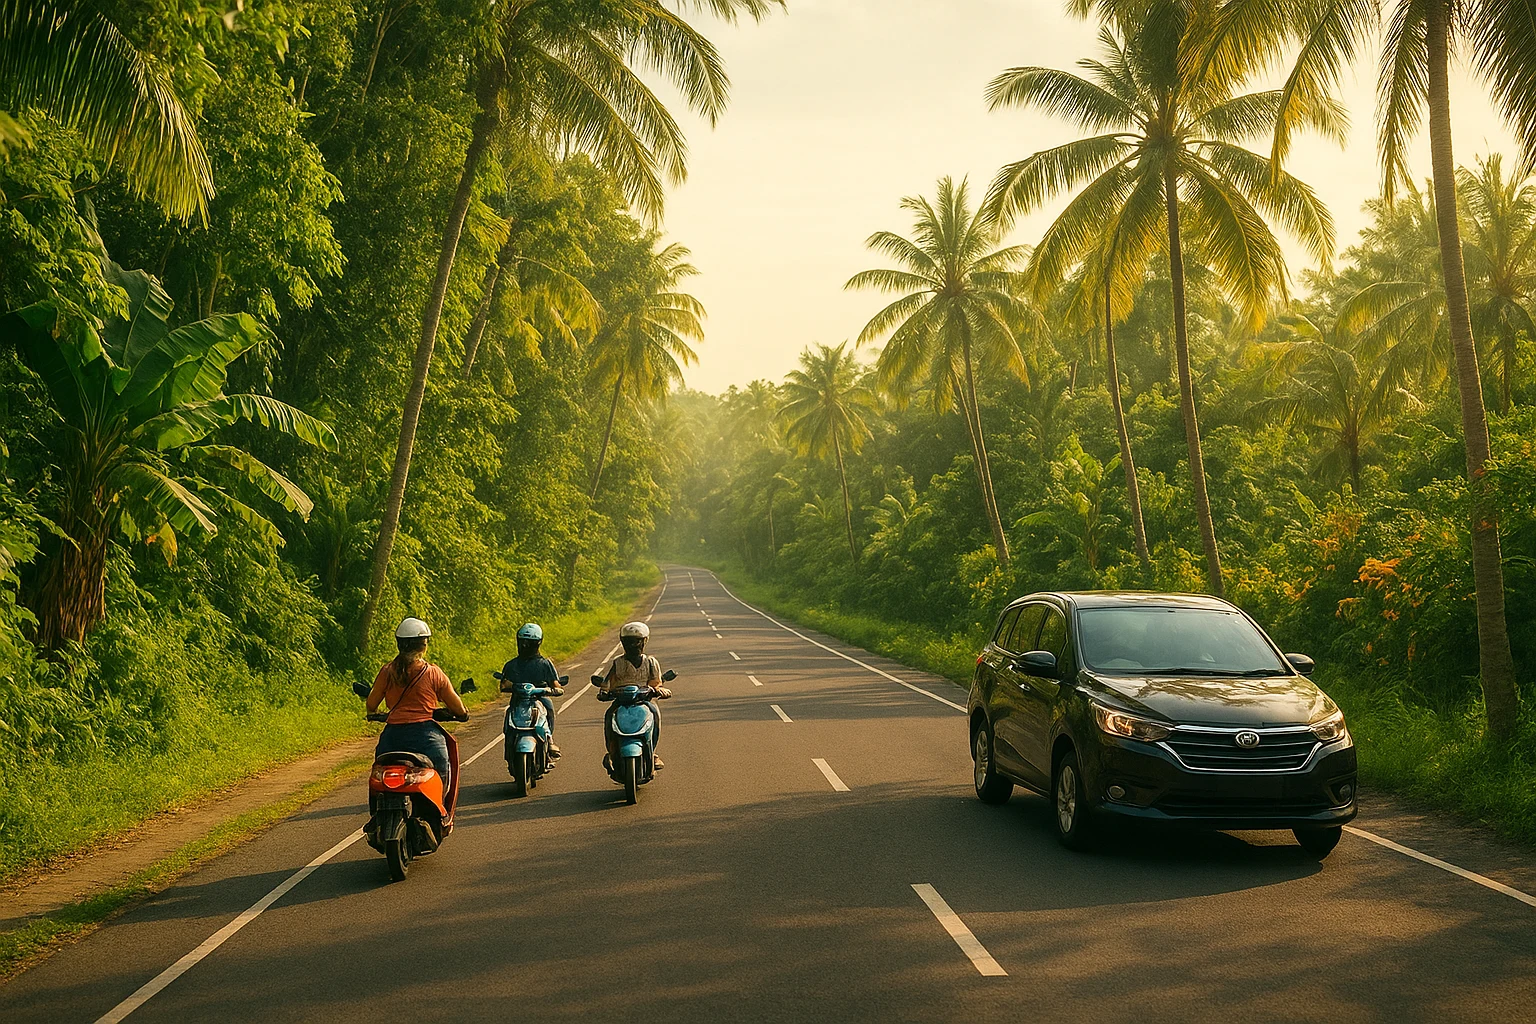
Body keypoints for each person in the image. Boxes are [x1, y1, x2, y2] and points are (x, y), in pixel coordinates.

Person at [366, 617, 467, 792]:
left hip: (392, 737)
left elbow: (371, 704)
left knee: (379, 776)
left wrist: (380, 714)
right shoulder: (433, 673)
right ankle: (440, 813)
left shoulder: (387, 671)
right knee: (441, 768)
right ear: (423, 645)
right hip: (425, 736)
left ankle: (377, 813)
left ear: (399, 644)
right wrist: (462, 714)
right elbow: (457, 708)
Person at [598, 620, 671, 772]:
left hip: (644, 701)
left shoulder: (651, 662)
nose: (633, 646)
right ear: (623, 643)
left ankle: (652, 751)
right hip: (621, 701)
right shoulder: (617, 662)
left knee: (655, 715)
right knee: (609, 716)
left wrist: (658, 690)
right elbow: (608, 681)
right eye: (629, 642)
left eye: (636, 642)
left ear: (644, 642)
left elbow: (656, 681)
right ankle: (612, 751)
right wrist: (603, 691)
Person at [499, 622, 561, 759]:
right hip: (518, 699)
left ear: (537, 644)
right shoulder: (511, 665)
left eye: (529, 643)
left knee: (549, 709)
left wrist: (550, 690)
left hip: (539, 697)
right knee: (509, 720)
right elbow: (504, 685)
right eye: (523, 642)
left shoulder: (545, 663)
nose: (525, 646)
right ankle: (509, 747)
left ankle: (549, 739)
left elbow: (556, 685)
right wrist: (513, 687)